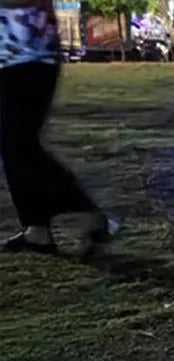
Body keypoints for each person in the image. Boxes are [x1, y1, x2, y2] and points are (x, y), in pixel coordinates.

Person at [0, 0, 117, 254]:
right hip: (9, 56)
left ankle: (87, 212)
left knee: (18, 142)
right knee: (12, 145)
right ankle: (36, 228)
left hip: (32, 55)